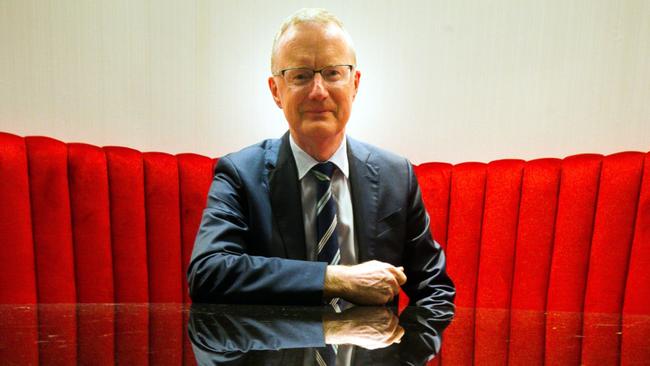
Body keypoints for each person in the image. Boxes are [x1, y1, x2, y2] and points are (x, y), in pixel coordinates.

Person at [187, 8, 454, 308]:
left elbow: (436, 293)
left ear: (355, 84)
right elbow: (208, 272)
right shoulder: (240, 174)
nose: (318, 91)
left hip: (371, 353)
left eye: (333, 73)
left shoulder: (396, 176)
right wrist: (335, 279)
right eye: (300, 76)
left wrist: (402, 355)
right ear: (276, 91)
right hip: (276, 353)